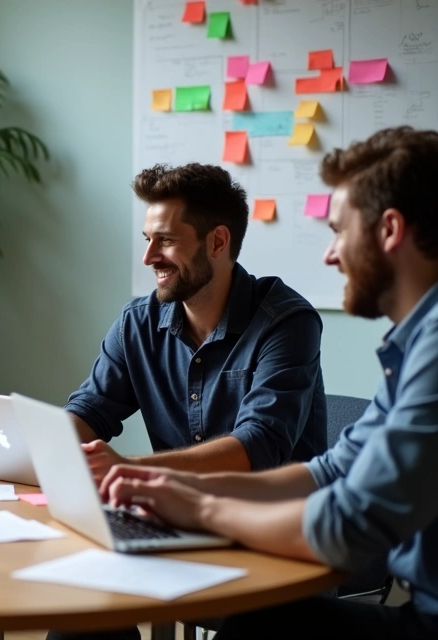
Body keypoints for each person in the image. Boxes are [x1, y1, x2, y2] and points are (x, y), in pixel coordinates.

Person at [102, 127, 438, 639]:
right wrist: (171, 486)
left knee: (263, 627)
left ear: (389, 230)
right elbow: (329, 472)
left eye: (338, 231)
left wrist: (201, 507)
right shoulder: (414, 344)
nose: (330, 255)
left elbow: (344, 525)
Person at [66, 163, 326, 483]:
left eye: (165, 240)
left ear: (217, 242)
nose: (148, 257)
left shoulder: (287, 322)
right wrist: (41, 448)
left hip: (273, 510)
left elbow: (259, 444)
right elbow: (90, 410)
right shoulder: (136, 324)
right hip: (173, 507)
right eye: (148, 239)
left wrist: (130, 468)